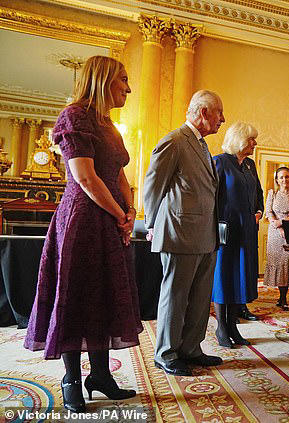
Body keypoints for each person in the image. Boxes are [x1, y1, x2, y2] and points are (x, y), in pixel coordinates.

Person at [24, 56, 140, 412]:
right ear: (103, 80)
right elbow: (86, 178)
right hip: (82, 220)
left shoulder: (111, 126)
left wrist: (130, 212)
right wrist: (120, 212)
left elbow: (119, 175)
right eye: (123, 79)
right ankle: (72, 377)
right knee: (76, 296)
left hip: (110, 221)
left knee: (104, 294)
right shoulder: (74, 116)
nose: (128, 87)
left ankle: (101, 375)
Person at [144, 90, 224, 377]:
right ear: (203, 112)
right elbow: (153, 185)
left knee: (201, 296)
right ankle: (166, 353)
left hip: (205, 235)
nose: (222, 119)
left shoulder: (202, 145)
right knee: (176, 296)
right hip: (178, 233)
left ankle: (191, 348)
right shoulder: (175, 141)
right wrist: (151, 224)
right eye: (219, 113)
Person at [212, 122, 264, 347]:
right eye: (251, 139)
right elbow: (210, 197)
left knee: (240, 278)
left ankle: (233, 325)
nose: (254, 143)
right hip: (226, 230)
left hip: (247, 231)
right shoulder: (220, 162)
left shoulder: (250, 165)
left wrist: (259, 211)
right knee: (224, 277)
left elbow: (258, 194)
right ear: (239, 140)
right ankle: (221, 329)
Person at [263, 167, 289, 310]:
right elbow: (268, 212)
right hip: (275, 233)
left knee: (287, 262)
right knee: (277, 263)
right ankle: (280, 297)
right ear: (277, 180)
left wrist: (285, 223)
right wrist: (279, 227)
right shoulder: (272, 194)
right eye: (281, 177)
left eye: (287, 177)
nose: (284, 179)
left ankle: (284, 298)